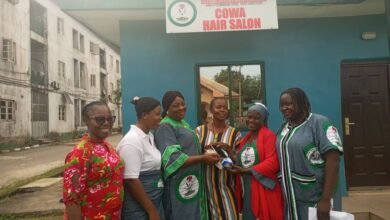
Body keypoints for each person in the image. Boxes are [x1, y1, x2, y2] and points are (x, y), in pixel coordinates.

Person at [276, 88, 343, 220]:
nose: (284, 108)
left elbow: (333, 160)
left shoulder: (319, 122)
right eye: (282, 105)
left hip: (315, 198)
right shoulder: (285, 127)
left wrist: (325, 200)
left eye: (289, 104)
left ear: (301, 103)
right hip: (292, 199)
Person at [154, 91, 220, 220]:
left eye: (183, 104)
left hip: (191, 179)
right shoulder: (165, 126)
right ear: (167, 108)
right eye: (175, 105)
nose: (181, 108)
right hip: (178, 183)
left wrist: (203, 149)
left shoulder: (183, 123)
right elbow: (173, 158)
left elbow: (186, 147)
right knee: (182, 214)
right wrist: (203, 158)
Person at [63, 101, 123, 220]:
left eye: (110, 119)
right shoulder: (80, 153)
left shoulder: (107, 146)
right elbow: (72, 199)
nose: (106, 123)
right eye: (100, 119)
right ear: (86, 120)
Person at [229, 103, 284, 220]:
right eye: (249, 117)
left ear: (263, 120)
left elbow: (273, 162)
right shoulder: (246, 139)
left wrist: (246, 170)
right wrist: (229, 152)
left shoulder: (269, 136)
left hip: (263, 188)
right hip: (247, 188)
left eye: (256, 118)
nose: (251, 120)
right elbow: (243, 161)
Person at [116, 97, 164, 220]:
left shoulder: (149, 136)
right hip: (140, 207)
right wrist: (151, 211)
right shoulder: (132, 141)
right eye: (157, 114)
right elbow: (130, 180)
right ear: (144, 115)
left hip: (153, 200)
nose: (160, 118)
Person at [195, 97, 241, 220]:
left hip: (225, 186)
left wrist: (229, 150)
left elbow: (239, 161)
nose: (222, 110)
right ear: (211, 110)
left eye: (225, 108)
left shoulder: (234, 133)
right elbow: (193, 155)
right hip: (205, 188)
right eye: (218, 107)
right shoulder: (200, 131)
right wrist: (204, 152)